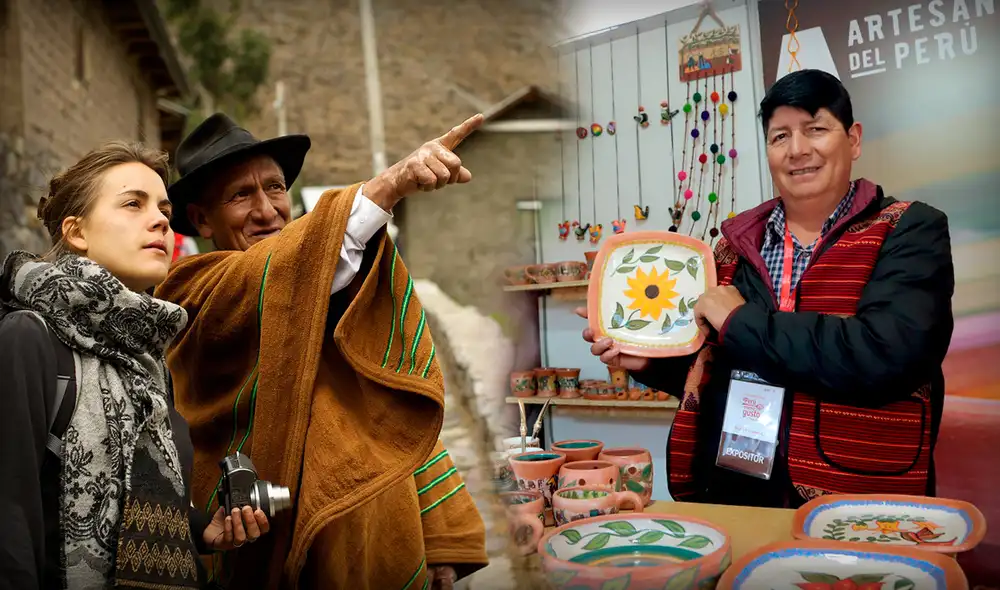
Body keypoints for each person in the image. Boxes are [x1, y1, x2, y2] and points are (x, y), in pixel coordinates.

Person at [580, 69, 954, 508]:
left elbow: (889, 353)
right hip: (741, 476)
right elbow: (717, 367)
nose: (797, 150)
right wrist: (649, 363)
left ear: (852, 139)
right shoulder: (731, 248)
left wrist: (741, 320)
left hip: (860, 489)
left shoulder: (908, 228)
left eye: (816, 129)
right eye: (779, 137)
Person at [153, 113, 489, 589]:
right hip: (268, 542)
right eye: (240, 195)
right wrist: (389, 185)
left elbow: (389, 403)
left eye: (274, 188)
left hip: (379, 536)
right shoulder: (194, 290)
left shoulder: (320, 287)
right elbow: (278, 270)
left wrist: (440, 534)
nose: (267, 210)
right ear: (202, 219)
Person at [0, 142, 270, 590]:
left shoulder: (148, 358)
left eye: (164, 208)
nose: (162, 220)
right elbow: (8, 519)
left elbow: (137, 495)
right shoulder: (28, 339)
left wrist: (200, 529)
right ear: (77, 232)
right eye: (133, 204)